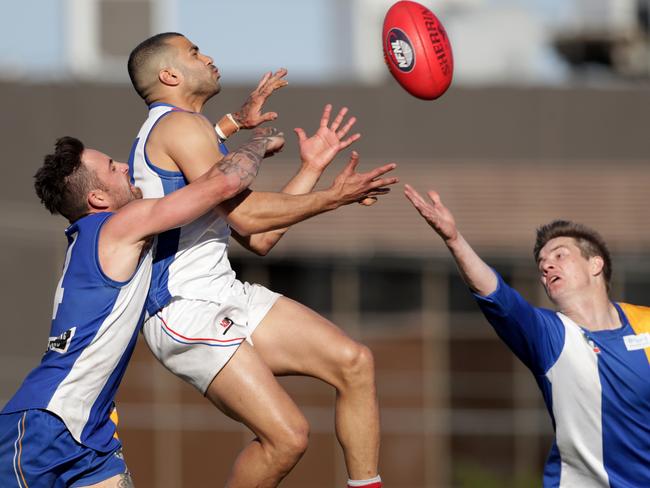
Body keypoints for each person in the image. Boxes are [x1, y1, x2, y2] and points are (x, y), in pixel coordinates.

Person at [127, 32, 396, 487]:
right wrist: (335, 197)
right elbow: (250, 218)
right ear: (169, 75)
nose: (209, 56)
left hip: (222, 294)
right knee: (287, 437)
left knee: (354, 362)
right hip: (182, 309)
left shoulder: (193, 131)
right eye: (194, 52)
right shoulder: (178, 127)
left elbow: (262, 238)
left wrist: (311, 169)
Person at [0, 129, 283, 487]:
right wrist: (259, 141)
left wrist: (226, 126)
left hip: (91, 431)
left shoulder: (98, 234)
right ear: (98, 198)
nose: (123, 166)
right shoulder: (117, 228)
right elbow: (223, 183)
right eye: (112, 167)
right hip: (46, 421)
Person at [404, 184, 650, 487]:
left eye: (560, 255)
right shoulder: (549, 335)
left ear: (595, 264)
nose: (547, 266)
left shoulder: (645, 323)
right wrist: (454, 240)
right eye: (542, 264)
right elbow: (497, 294)